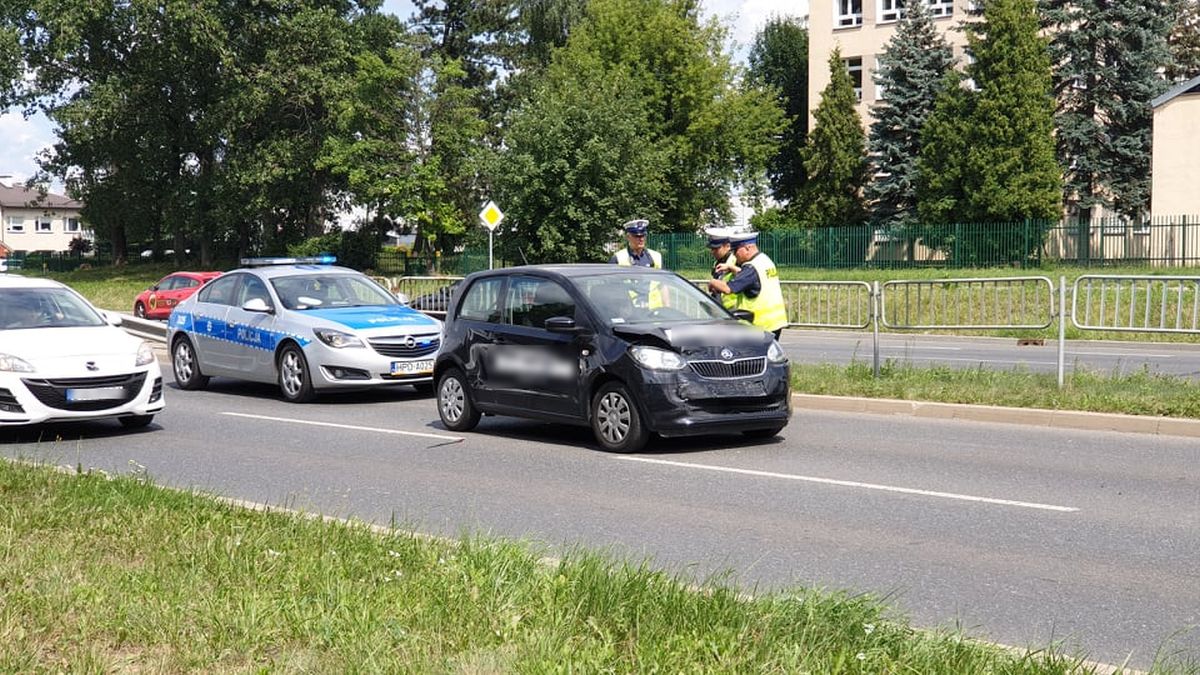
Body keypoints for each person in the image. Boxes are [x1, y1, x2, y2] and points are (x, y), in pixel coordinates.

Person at [706, 230, 788, 340]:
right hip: (774, 321)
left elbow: (728, 288)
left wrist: (712, 282)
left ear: (747, 248)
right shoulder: (764, 259)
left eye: (736, 251)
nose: (734, 255)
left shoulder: (751, 267)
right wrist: (731, 268)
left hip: (759, 324)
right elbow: (750, 279)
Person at [704, 227, 739, 311]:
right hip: (721, 308)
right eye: (712, 249)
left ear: (727, 246)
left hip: (735, 309)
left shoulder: (736, 260)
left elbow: (745, 276)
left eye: (716, 248)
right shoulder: (717, 262)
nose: (713, 252)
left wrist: (731, 268)